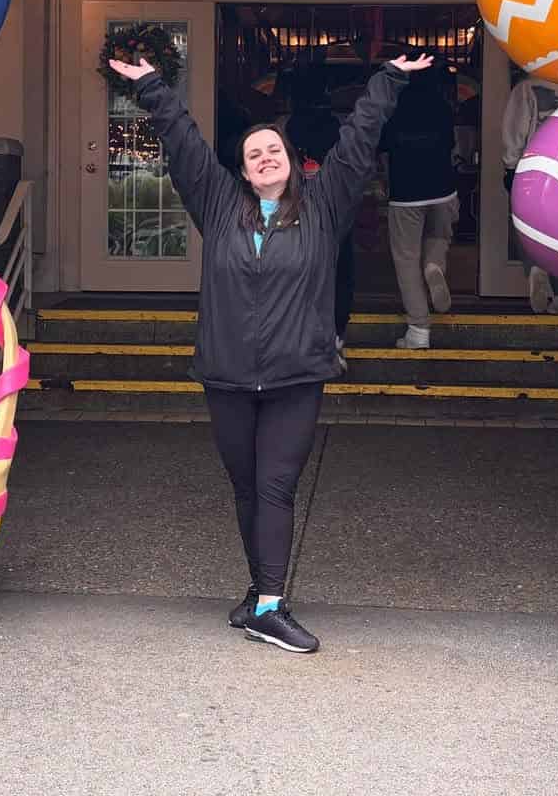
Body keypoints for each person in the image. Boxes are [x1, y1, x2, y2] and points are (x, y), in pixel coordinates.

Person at [109, 50, 432, 653]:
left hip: (295, 376)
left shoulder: (323, 206)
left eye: (273, 149)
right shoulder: (218, 205)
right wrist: (151, 85)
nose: (264, 157)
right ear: (243, 169)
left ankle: (270, 605)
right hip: (227, 376)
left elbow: (357, 143)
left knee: (275, 485)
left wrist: (388, 80)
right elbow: (184, 144)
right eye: (254, 153)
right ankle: (259, 592)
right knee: (246, 488)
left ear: (291, 159)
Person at [379, 60, 459, 349]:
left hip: (406, 193)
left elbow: (382, 148)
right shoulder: (442, 106)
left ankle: (418, 329)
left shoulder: (395, 106)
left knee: (407, 259)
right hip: (444, 189)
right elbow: (451, 144)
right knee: (439, 237)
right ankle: (435, 265)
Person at [284, 66, 353, 371]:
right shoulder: (335, 127)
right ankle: (335, 340)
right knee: (340, 273)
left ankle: (301, 343)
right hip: (334, 210)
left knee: (299, 276)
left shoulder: (288, 127)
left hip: (297, 210)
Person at [502, 73, 558, 314]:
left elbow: (515, 130)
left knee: (526, 228)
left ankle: (535, 268)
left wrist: (510, 167)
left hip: (532, 170)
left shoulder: (526, 89)